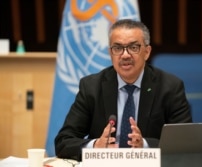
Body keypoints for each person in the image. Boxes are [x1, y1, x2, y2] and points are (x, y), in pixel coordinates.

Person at [54, 19, 192, 161]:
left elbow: (185, 143)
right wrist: (95, 146)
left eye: (133, 47)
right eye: (118, 48)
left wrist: (145, 145)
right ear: (110, 53)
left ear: (147, 52)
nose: (125, 55)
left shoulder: (170, 87)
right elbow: (63, 142)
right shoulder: (91, 87)